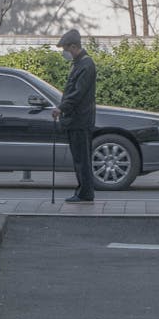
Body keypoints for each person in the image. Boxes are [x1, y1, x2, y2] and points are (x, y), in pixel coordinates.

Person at [53, 28, 96, 203]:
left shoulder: (86, 65)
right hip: (76, 120)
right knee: (79, 158)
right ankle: (82, 191)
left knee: (82, 159)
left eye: (65, 49)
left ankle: (85, 193)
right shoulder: (79, 64)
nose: (64, 53)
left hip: (80, 120)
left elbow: (77, 94)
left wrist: (61, 108)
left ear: (73, 46)